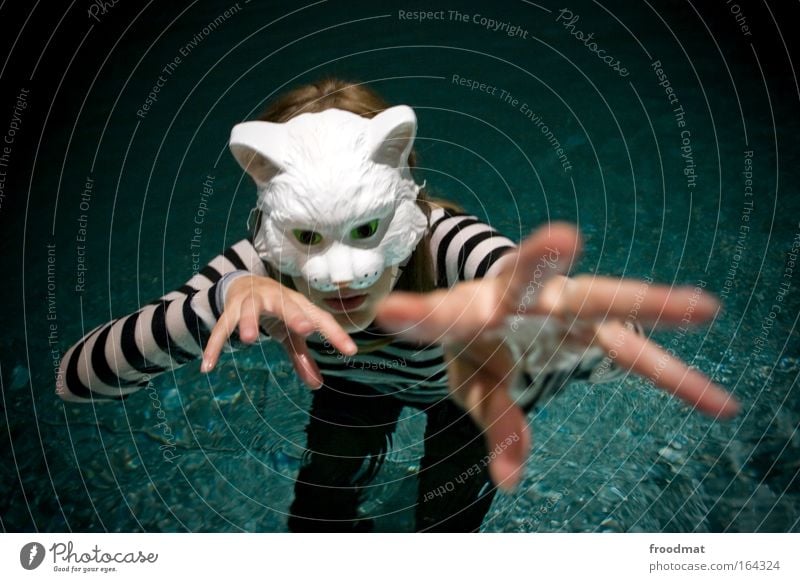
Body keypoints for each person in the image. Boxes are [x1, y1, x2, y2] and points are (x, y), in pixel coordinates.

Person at [56, 77, 740, 532]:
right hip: (354, 387)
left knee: (447, 529)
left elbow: (512, 279)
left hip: (465, 389)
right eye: (308, 237)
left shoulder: (447, 245)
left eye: (362, 230)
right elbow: (78, 379)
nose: (340, 277)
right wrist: (225, 299)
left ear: (405, 198)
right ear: (272, 213)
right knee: (317, 517)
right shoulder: (259, 268)